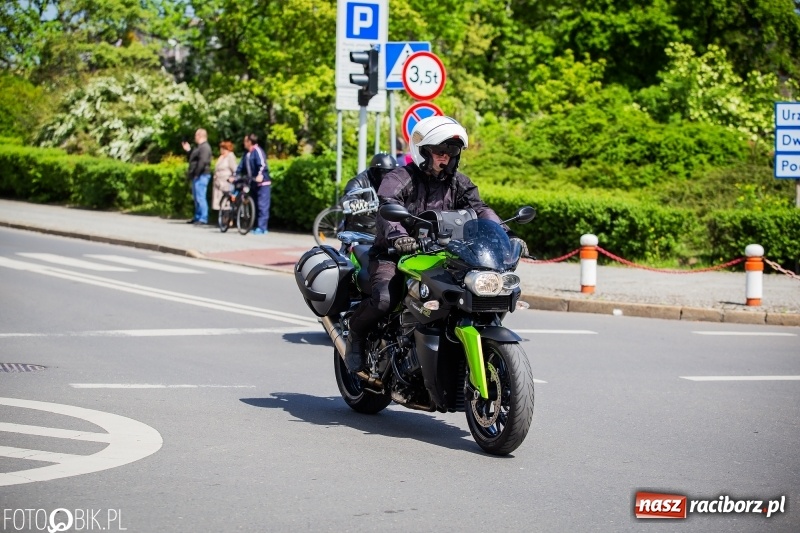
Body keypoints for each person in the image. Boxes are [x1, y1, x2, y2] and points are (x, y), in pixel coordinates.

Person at [343, 116, 530, 372]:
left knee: (485, 293)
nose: (446, 157)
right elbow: (388, 206)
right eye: (440, 151)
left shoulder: (459, 183)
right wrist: (400, 238)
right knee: (386, 298)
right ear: (423, 151)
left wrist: (506, 236)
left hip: (444, 254)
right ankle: (356, 336)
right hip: (394, 254)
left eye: (452, 152)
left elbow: (480, 209)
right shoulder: (401, 177)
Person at [341, 153, 397, 233]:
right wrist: (356, 203)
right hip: (361, 231)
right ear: (374, 171)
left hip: (386, 231)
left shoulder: (395, 184)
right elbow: (348, 197)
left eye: (391, 173)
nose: (387, 177)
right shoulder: (359, 181)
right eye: (383, 172)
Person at [234, 133, 271, 235]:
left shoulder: (257, 151)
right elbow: (240, 167)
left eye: (245, 141)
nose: (244, 143)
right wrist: (235, 175)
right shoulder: (247, 154)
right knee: (254, 204)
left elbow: (263, 165)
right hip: (253, 183)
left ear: (249, 142)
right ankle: (255, 226)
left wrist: (260, 175)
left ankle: (262, 228)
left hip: (262, 183)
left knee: (262, 205)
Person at [182, 129, 212, 225]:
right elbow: (194, 158)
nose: (195, 137)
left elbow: (202, 162)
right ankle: (197, 216)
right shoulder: (199, 147)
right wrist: (189, 150)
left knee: (200, 197)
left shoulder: (205, 147)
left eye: (196, 135)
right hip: (198, 175)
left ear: (200, 136)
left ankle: (203, 218)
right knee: (196, 198)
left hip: (202, 175)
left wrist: (197, 173)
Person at [212, 140, 238, 213]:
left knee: (226, 203)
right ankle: (221, 218)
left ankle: (227, 220)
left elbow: (234, 169)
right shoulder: (221, 157)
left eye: (222, 148)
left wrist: (233, 178)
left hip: (226, 182)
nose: (221, 150)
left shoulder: (230, 156)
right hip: (218, 183)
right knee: (220, 202)